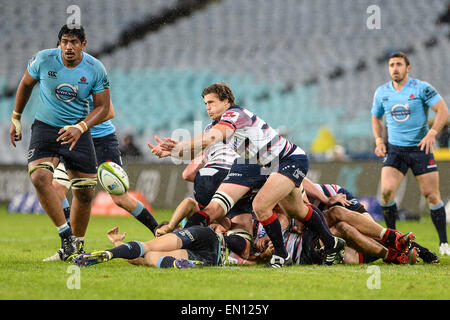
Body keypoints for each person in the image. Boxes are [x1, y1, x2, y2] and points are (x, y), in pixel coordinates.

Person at [149, 82, 346, 267]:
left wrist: (182, 144)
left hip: (289, 160)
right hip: (262, 165)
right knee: (298, 211)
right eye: (205, 103)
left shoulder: (236, 115)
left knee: (260, 205)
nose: (207, 107)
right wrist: (174, 152)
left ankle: (281, 255)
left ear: (226, 102)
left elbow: (211, 137)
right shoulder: (215, 125)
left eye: (211, 102)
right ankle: (331, 243)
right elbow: (203, 147)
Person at [9, 25, 111, 261]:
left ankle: (78, 247)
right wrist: (15, 118)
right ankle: (66, 237)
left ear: (83, 45)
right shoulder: (44, 59)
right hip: (45, 127)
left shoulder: (95, 68)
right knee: (39, 177)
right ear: (59, 44)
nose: (68, 47)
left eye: (74, 42)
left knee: (85, 193)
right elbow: (25, 84)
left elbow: (103, 107)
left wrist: (81, 127)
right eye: (64, 41)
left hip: (78, 130)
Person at [44, 98, 157, 261]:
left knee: (120, 198)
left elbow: (109, 111)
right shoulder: (59, 78)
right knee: (56, 188)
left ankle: (158, 230)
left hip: (100, 140)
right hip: (73, 140)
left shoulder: (93, 73)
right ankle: (72, 245)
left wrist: (80, 126)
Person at [371, 51, 450, 256]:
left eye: (399, 64)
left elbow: (443, 111)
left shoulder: (422, 88)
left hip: (420, 149)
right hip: (395, 150)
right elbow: (376, 117)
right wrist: (379, 140)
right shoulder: (382, 92)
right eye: (391, 65)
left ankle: (443, 243)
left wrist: (432, 133)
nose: (395, 68)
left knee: (432, 195)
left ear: (408, 68)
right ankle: (394, 239)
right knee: (387, 192)